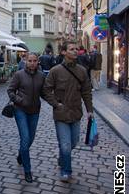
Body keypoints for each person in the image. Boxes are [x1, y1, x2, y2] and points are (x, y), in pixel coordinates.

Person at [43, 41, 93, 182]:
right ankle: (66, 171)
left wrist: (90, 110)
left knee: (74, 142)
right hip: (61, 113)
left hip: (76, 112)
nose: (75, 51)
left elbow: (86, 92)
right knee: (65, 144)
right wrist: (56, 104)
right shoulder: (55, 71)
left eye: (76, 49)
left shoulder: (82, 71)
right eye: (71, 49)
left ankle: (62, 158)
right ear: (64, 52)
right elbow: (47, 90)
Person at [7, 53, 45, 183]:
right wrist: (20, 100)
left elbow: (44, 93)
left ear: (38, 62)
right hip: (20, 110)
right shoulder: (19, 75)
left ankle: (20, 155)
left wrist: (56, 102)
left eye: (35, 61)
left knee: (31, 138)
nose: (32, 63)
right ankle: (27, 171)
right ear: (25, 61)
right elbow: (10, 91)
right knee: (25, 137)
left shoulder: (41, 76)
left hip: (35, 111)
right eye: (30, 60)